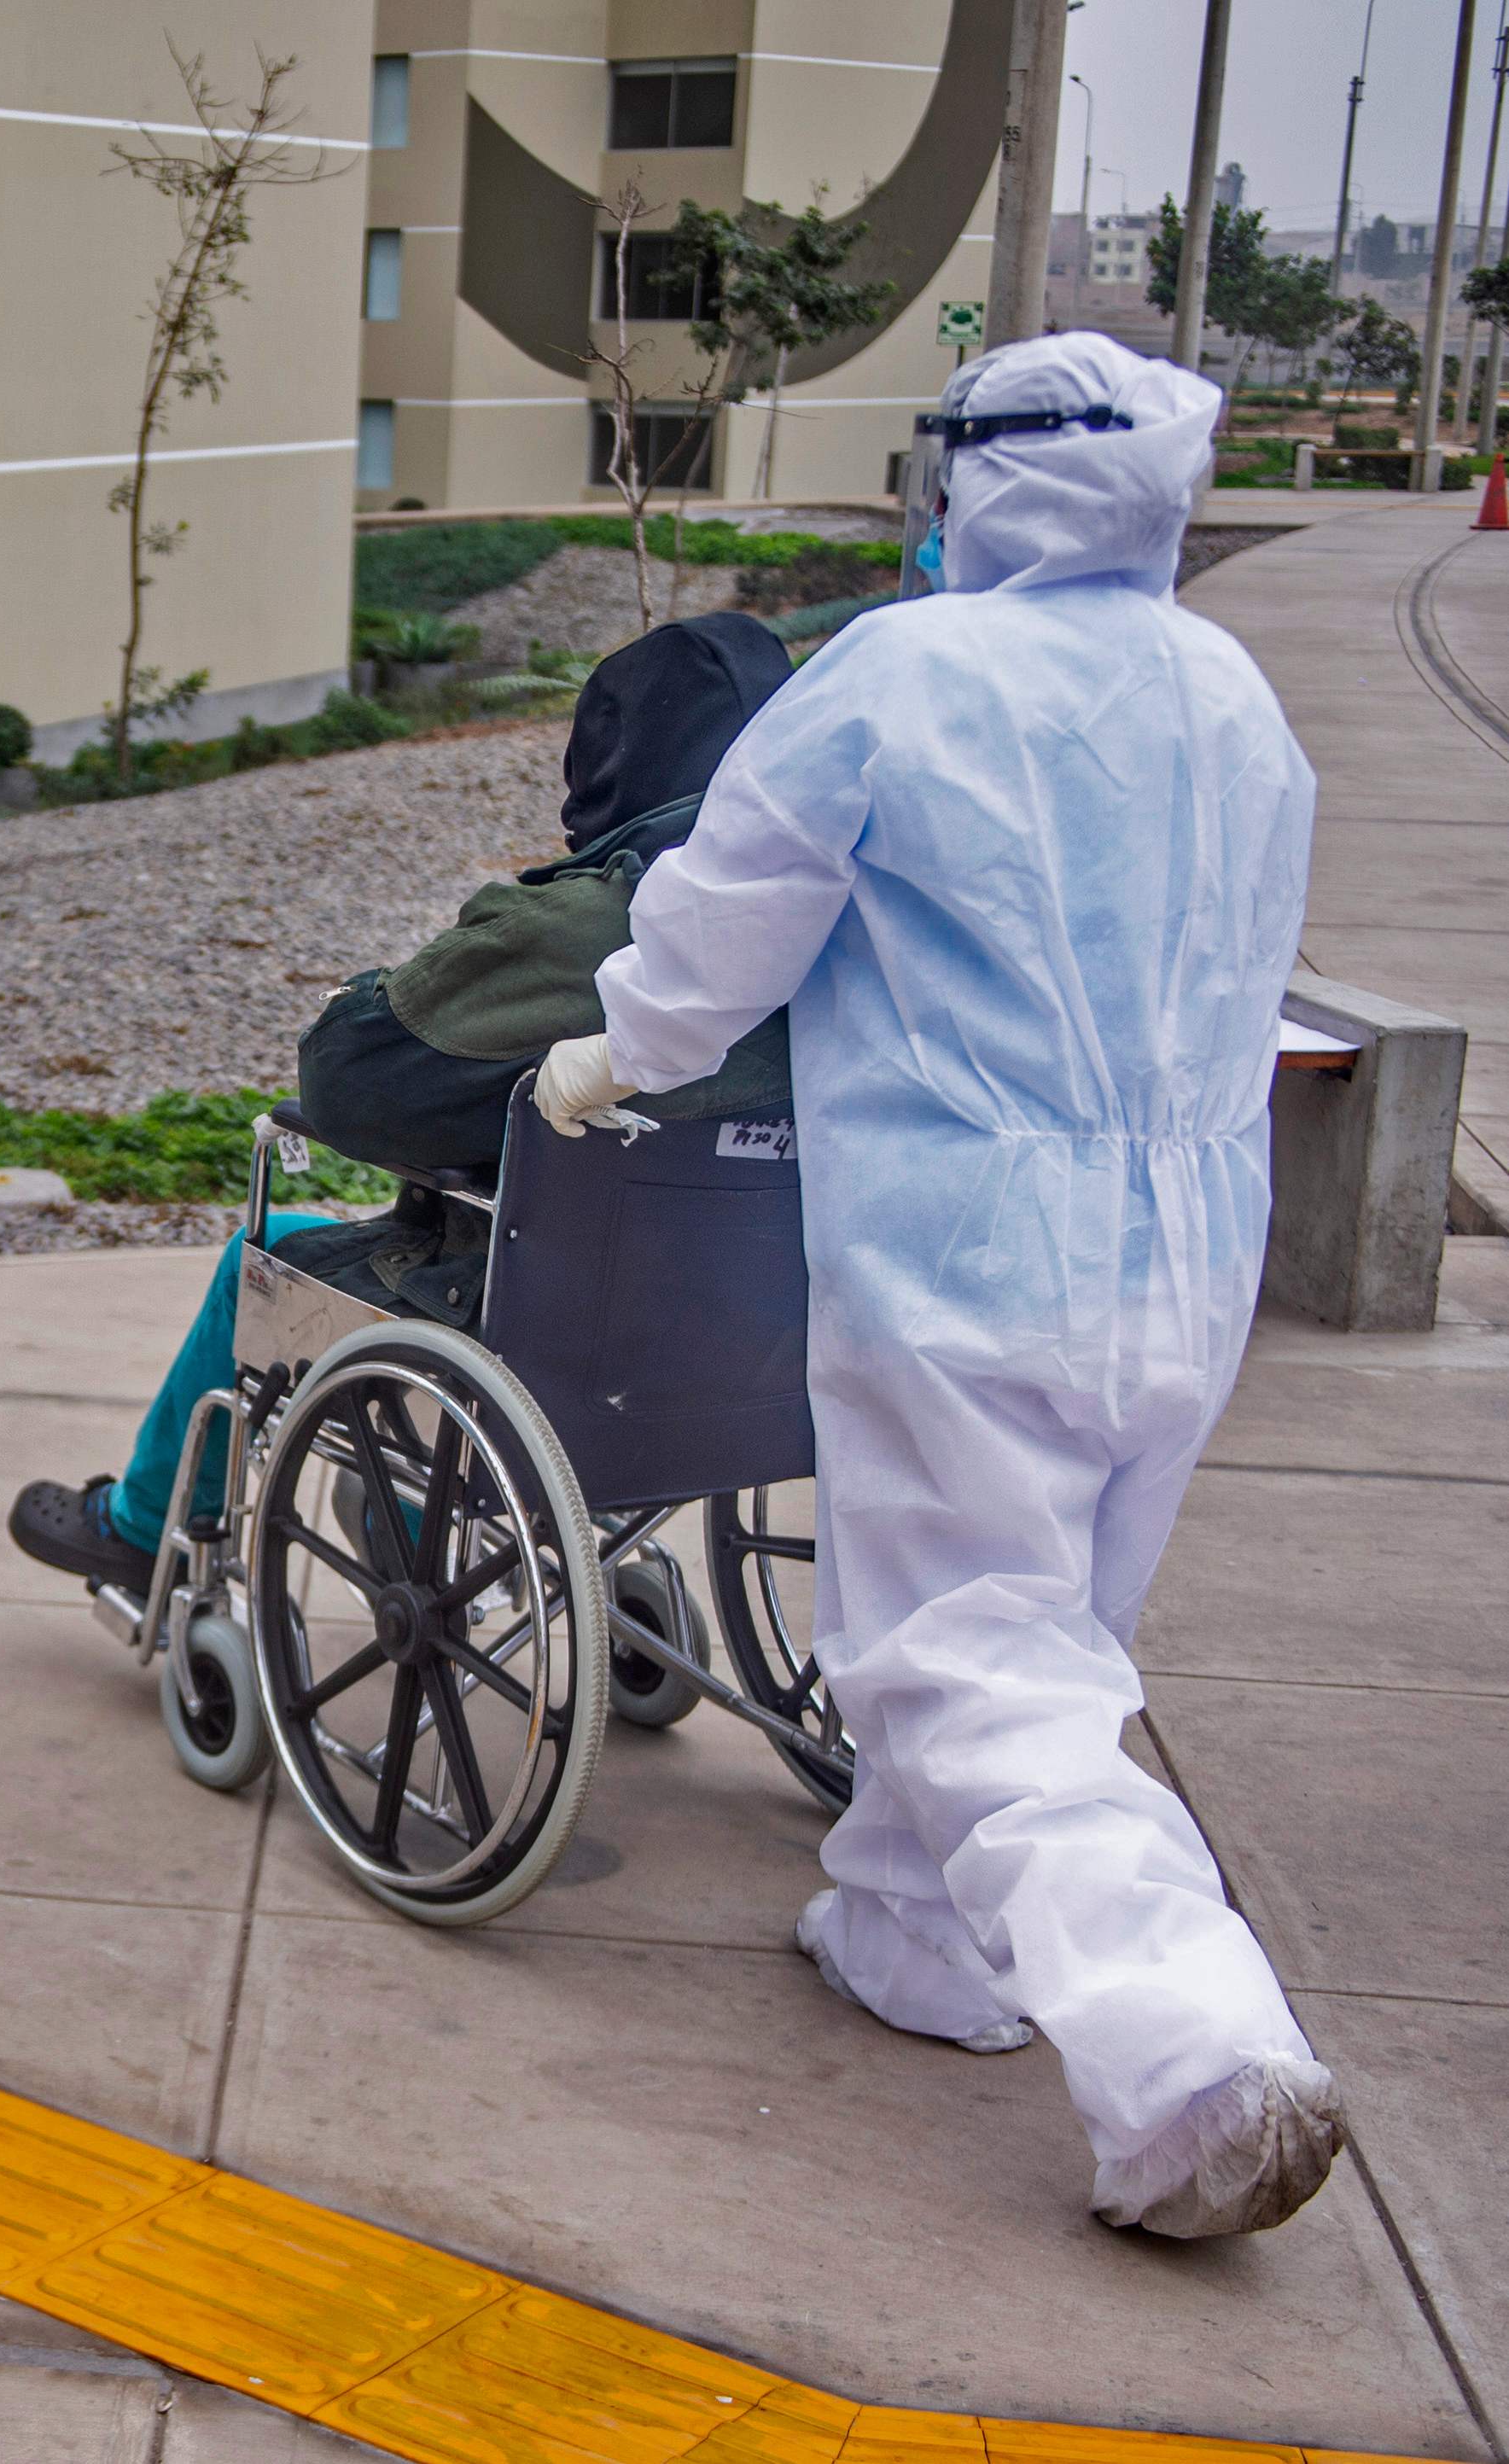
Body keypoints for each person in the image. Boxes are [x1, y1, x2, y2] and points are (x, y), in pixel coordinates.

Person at [529, 332, 1337, 2239]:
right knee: (1054, 1627)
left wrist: (614, 1055)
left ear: (978, 479)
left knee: (970, 1654)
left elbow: (735, 909)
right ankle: (920, 1942)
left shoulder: (905, 672)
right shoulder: (1231, 693)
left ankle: (1194, 2053)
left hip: (970, 1236)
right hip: (1193, 1237)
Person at [4, 614, 794, 1594]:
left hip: (552, 1344)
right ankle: (408, 1512)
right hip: (758, 1348)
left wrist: (367, 999)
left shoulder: (601, 926)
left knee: (271, 1253)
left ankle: (145, 1524)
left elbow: (351, 1084)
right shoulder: (854, 934)